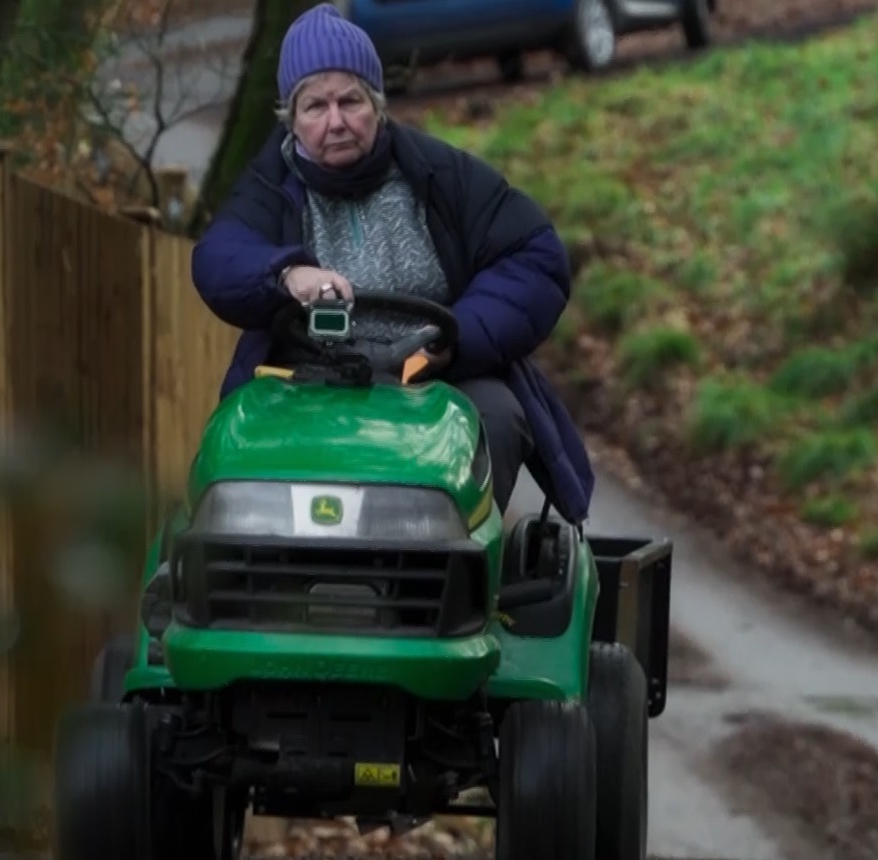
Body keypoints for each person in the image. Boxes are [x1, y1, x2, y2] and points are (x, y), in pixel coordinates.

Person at [189, 2, 594, 523]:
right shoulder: (270, 187)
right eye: (315, 107)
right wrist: (287, 274)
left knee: (492, 418)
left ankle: (461, 582)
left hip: (437, 378)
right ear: (291, 118)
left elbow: (535, 255)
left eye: (350, 101)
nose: (335, 121)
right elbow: (219, 258)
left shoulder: (439, 173)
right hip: (304, 376)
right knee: (235, 443)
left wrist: (455, 337)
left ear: (377, 104)